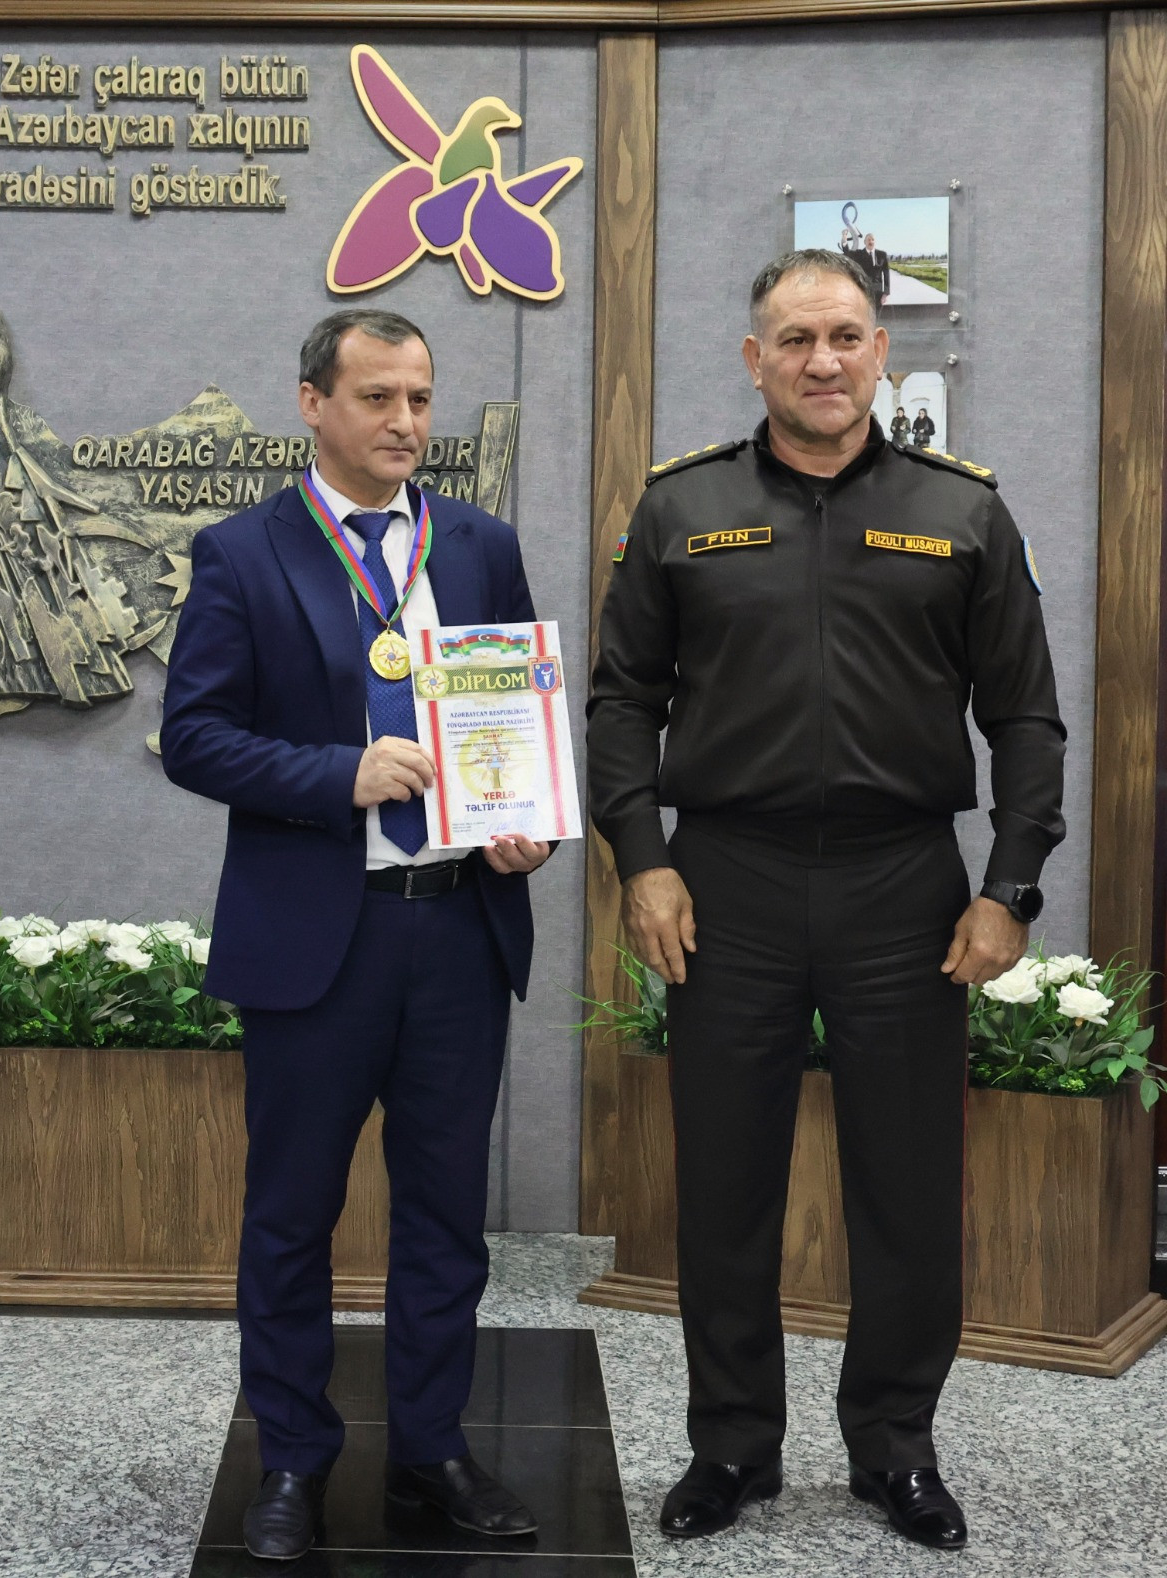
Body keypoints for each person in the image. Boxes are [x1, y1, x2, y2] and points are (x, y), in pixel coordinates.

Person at [586, 249, 1064, 1553]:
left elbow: (1024, 716)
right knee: (723, 1182)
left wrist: (1010, 884)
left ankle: (894, 1446)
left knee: (907, 1187)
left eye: (846, 335)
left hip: (901, 883)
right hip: (724, 881)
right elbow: (623, 700)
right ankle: (732, 1446)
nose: (823, 360)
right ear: (756, 360)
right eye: (795, 339)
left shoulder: (961, 511)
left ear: (880, 354)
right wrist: (642, 858)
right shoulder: (681, 506)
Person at [161, 309, 553, 1561]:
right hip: (317, 944)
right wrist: (339, 773)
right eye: (378, 398)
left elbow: (514, 724)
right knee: (290, 1217)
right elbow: (194, 738)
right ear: (312, 404)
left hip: (458, 934)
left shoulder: (480, 545)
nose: (405, 423)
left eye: (420, 399)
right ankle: (291, 1459)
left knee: (446, 1218)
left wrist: (525, 828)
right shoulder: (243, 552)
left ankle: (431, 1450)